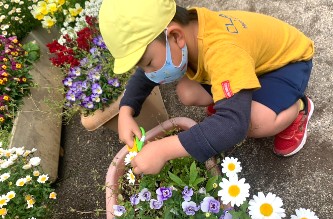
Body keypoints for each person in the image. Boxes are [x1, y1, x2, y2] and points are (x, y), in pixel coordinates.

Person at [98, 0, 314, 175]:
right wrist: (126, 111)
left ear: (175, 36)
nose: (148, 72)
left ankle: (298, 108)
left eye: (147, 64)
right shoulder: (187, 28)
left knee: (255, 122)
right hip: (246, 62)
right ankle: (233, 98)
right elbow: (145, 72)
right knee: (187, 92)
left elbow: (233, 127)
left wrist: (163, 150)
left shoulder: (221, 50)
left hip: (285, 65)